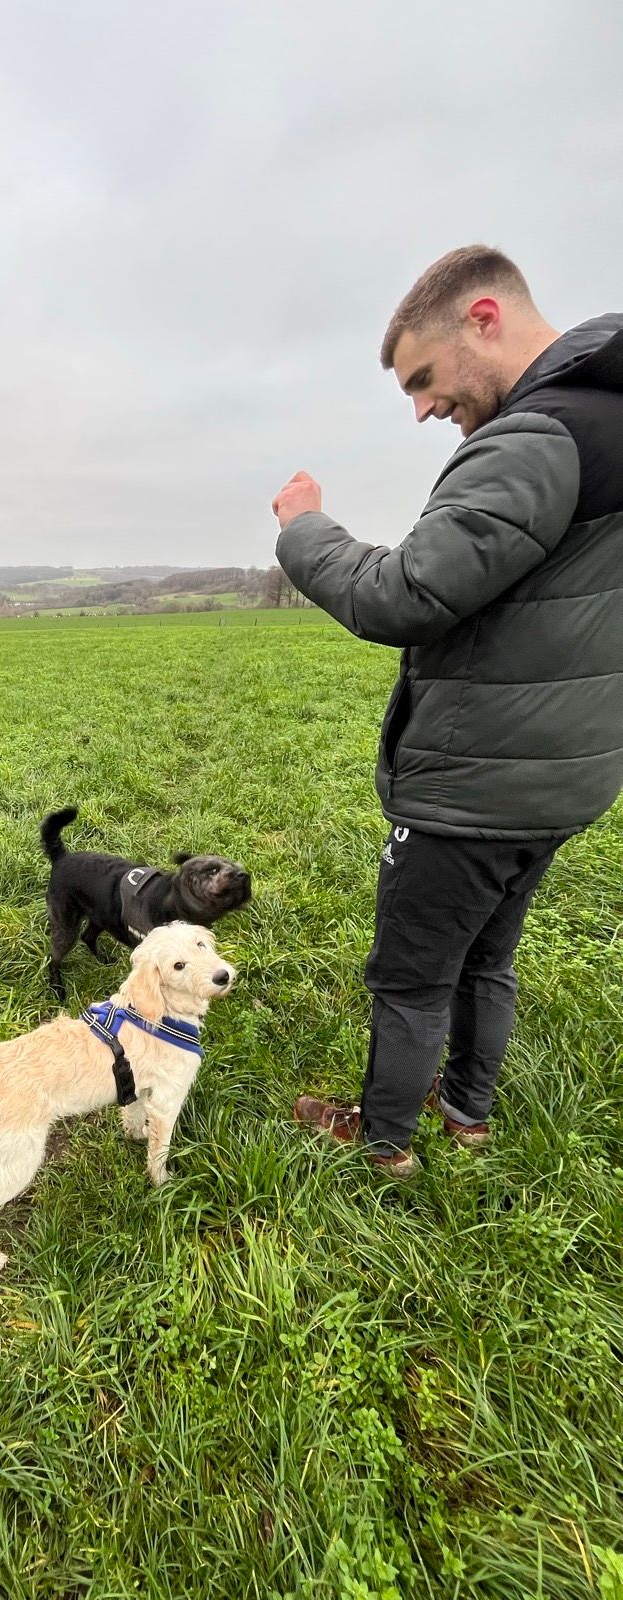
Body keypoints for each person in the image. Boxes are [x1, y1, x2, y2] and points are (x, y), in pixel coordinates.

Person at [271, 244, 623, 1176]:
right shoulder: (608, 419)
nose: (424, 409)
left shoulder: (537, 437)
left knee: (412, 976)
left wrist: (305, 530)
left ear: (483, 318)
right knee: (487, 957)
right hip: (566, 776)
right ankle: (468, 1114)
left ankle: (384, 1144)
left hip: (475, 783)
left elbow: (403, 594)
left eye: (424, 379)